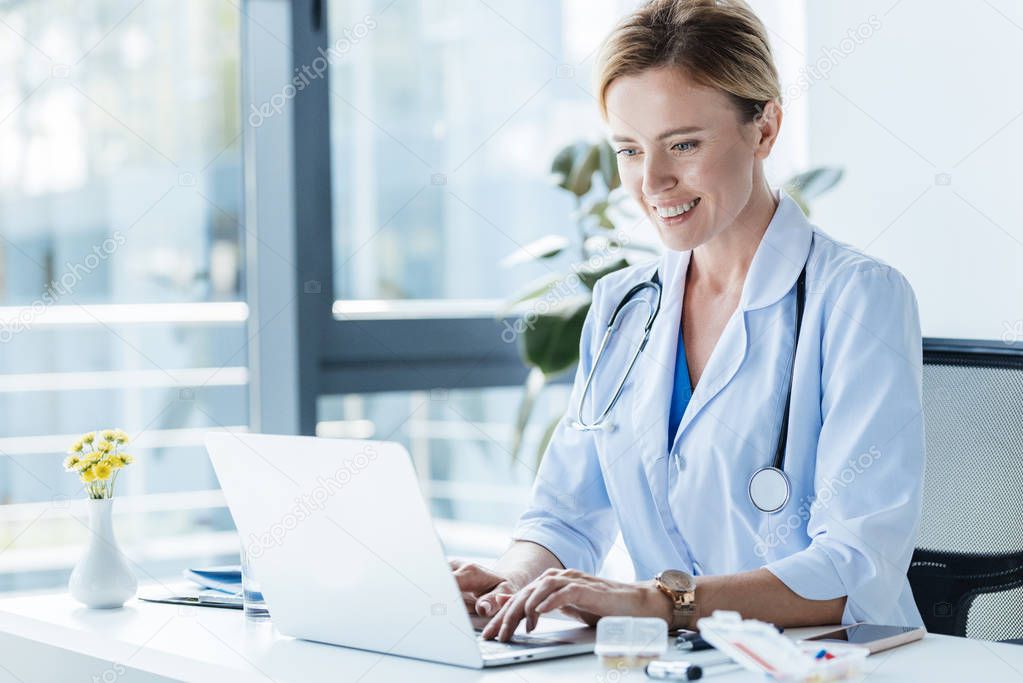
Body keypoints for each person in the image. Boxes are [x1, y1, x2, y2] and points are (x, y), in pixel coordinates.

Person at [454, 0, 925, 642]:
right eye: (628, 150)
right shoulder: (623, 306)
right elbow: (564, 516)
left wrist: (660, 601)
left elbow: (855, 569)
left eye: (683, 144)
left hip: (833, 662)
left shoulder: (858, 298)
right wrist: (514, 581)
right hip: (684, 657)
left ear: (764, 129)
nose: (653, 181)